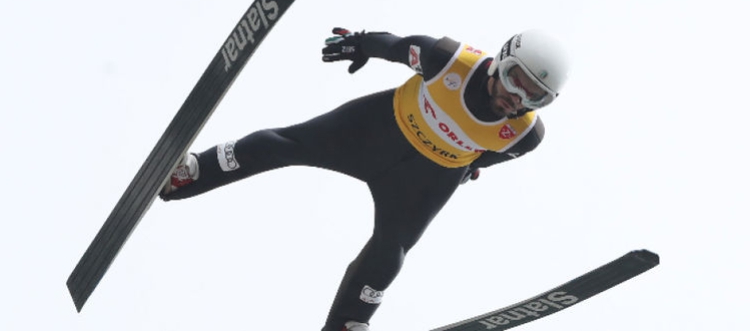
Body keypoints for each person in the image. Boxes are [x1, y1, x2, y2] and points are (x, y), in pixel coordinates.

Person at [160, 27, 570, 331]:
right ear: (501, 59)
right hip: (374, 132)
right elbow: (394, 46)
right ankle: (189, 174)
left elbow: (489, 156)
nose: (517, 99)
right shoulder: (448, 60)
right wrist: (359, 43)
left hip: (425, 179)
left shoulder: (526, 136)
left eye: (535, 97)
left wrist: (468, 168)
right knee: (280, 144)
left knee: (390, 252)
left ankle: (348, 322)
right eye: (516, 80)